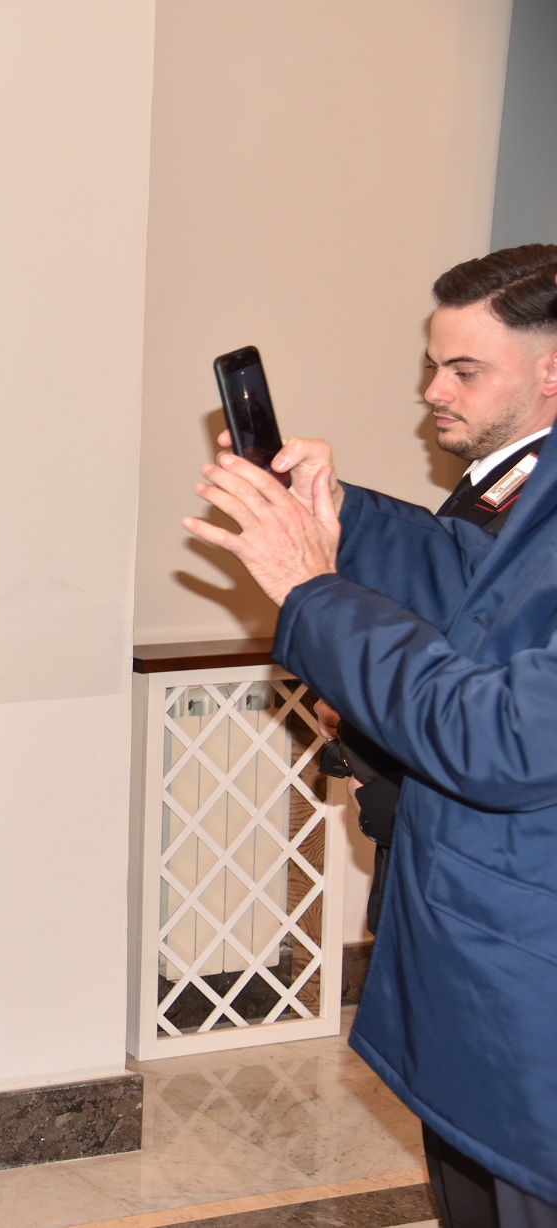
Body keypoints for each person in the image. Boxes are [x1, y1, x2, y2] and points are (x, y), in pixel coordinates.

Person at [183, 263, 557, 1228]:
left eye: (465, 371)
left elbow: (500, 737)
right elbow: (474, 579)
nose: (433, 391)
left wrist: (313, 593)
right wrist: (338, 517)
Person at [318, 244, 557, 934]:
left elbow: (493, 690)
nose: (434, 392)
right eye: (434, 368)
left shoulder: (533, 498)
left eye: (465, 372)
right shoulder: (497, 475)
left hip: (483, 863)